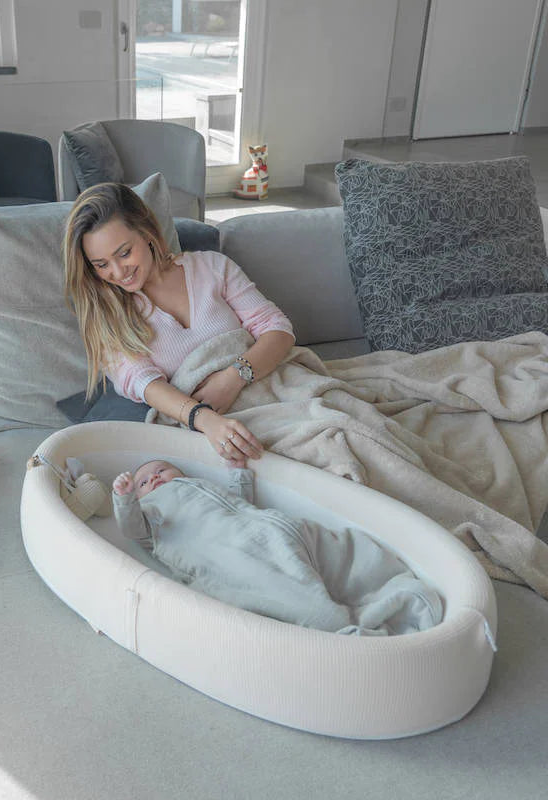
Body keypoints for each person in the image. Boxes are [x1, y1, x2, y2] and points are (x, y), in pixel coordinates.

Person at [63, 182, 296, 461]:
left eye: (124, 253)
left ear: (146, 232)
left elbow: (277, 329)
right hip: (211, 423)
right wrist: (204, 419)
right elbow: (143, 381)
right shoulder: (106, 314)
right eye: (101, 265)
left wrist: (232, 379)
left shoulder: (212, 267)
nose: (118, 272)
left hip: (275, 390)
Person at [111, 459, 443, 636]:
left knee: (347, 554)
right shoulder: (151, 515)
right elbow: (130, 528)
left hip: (272, 530)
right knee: (304, 605)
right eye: (143, 482)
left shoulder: (199, 486)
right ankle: (347, 630)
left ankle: (390, 586)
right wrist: (124, 498)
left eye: (161, 470)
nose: (154, 478)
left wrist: (238, 475)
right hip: (234, 559)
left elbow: (236, 504)